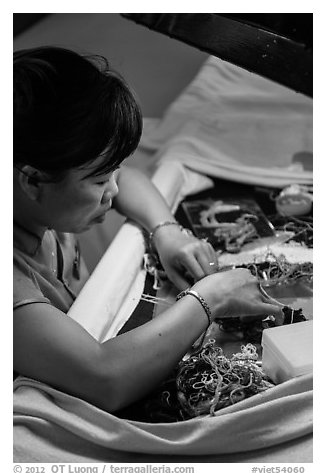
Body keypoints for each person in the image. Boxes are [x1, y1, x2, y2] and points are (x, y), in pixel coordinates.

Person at [13, 46, 282, 413]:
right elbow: (105, 379)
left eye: (111, 173)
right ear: (32, 181)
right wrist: (210, 298)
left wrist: (166, 230)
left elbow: (131, 178)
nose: (115, 191)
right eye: (99, 181)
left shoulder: (36, 198)